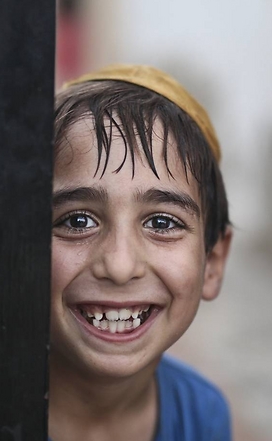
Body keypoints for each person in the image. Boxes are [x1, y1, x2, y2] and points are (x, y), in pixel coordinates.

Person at [49, 64, 233, 441]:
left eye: (162, 223)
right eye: (78, 221)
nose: (119, 266)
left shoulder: (203, 416)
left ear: (212, 263)